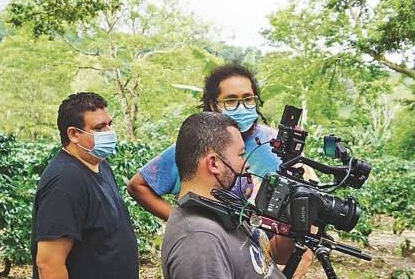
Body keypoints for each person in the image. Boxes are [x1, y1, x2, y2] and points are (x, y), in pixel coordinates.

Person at [161, 112, 344, 279]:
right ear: (213, 163)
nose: (245, 166)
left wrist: (297, 223)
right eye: (239, 155)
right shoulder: (199, 240)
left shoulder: (223, 207)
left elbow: (271, 256)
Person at [31, 92, 139, 279]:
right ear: (74, 134)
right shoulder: (65, 183)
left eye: (109, 124)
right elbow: (48, 263)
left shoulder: (98, 166)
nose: (109, 132)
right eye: (99, 128)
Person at [127, 63, 316, 221]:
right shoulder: (195, 147)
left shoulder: (276, 143)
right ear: (212, 105)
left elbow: (310, 199)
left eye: (248, 99)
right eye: (231, 101)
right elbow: (138, 186)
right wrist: (181, 222)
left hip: (269, 258)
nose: (241, 107)